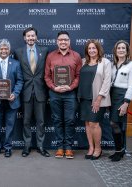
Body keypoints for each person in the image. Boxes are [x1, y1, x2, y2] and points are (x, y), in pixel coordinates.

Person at [44, 31, 82, 159]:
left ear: (69, 41)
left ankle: (69, 147)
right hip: (55, 94)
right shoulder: (50, 56)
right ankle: (60, 147)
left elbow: (78, 76)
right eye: (60, 40)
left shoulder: (76, 56)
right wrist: (54, 87)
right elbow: (47, 76)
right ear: (57, 42)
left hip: (70, 93)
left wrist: (70, 87)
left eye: (65, 40)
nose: (63, 42)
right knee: (57, 120)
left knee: (70, 120)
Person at [14, 27, 50, 157]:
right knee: (26, 121)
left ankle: (41, 146)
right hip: (26, 92)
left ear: (36, 37)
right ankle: (27, 146)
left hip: (40, 91)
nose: (30, 38)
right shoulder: (18, 52)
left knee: (41, 121)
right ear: (24, 38)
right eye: (28, 36)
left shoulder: (44, 51)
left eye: (32, 36)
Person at [0, 39, 23, 158]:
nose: (4, 50)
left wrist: (15, 94)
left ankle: (7, 148)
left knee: (10, 125)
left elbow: (20, 81)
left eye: (6, 48)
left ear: (9, 50)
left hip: (12, 101)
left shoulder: (16, 63)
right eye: (1, 48)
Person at [78, 40, 111, 160]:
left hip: (98, 99)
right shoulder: (83, 62)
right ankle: (91, 148)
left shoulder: (105, 62)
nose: (92, 50)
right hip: (84, 98)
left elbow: (107, 82)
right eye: (89, 48)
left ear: (98, 49)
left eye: (94, 48)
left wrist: (99, 98)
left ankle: (98, 149)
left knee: (94, 124)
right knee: (87, 123)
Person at [110, 40, 132, 162]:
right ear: (115, 51)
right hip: (112, 95)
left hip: (122, 96)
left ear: (127, 51)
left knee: (114, 123)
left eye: (123, 48)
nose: (121, 50)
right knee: (116, 124)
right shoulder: (112, 64)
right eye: (118, 48)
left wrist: (126, 103)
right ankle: (120, 150)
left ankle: (119, 151)